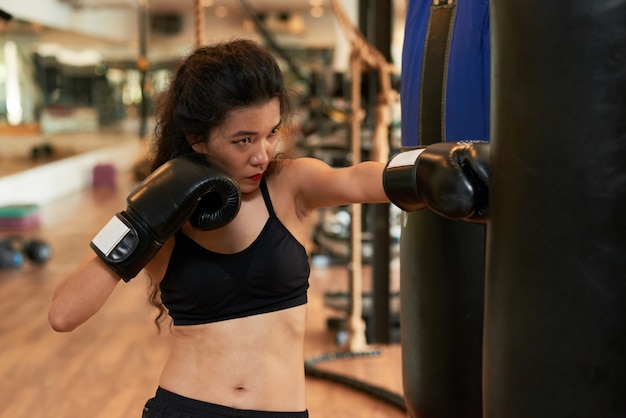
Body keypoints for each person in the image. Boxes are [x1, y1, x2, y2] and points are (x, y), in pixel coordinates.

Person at [48, 39, 488, 418]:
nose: (262, 154)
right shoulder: (165, 209)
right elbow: (63, 314)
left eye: (271, 133)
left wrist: (427, 167)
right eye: (243, 140)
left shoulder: (290, 184)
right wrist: (138, 221)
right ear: (197, 137)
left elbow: (356, 178)